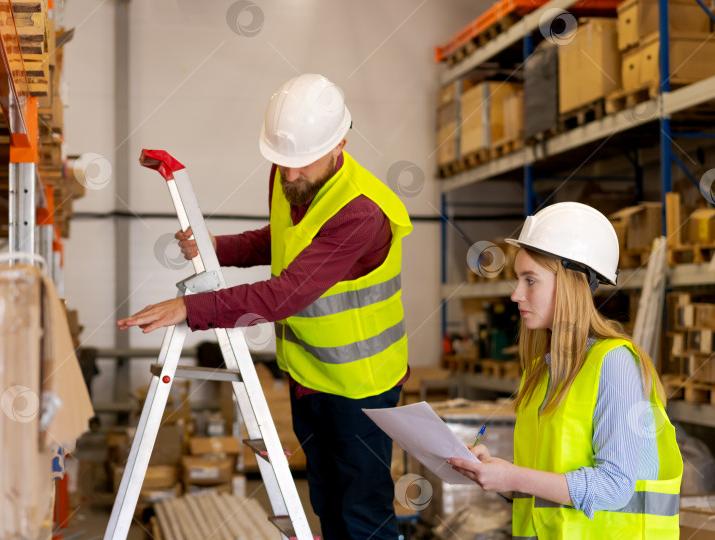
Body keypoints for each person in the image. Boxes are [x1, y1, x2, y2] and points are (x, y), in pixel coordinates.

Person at [118, 73, 412, 539]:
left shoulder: (361, 212)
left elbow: (284, 293)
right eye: (282, 160)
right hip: (309, 376)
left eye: (301, 162)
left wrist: (190, 308)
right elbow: (282, 242)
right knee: (327, 504)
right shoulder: (288, 172)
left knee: (362, 511)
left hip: (362, 387)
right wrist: (220, 246)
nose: (290, 174)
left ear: (340, 142)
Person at [448, 202, 683, 538]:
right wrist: (496, 473)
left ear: (572, 285)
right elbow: (549, 483)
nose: (516, 294)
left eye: (531, 280)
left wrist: (513, 476)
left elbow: (615, 487)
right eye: (518, 279)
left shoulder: (614, 364)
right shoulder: (544, 369)